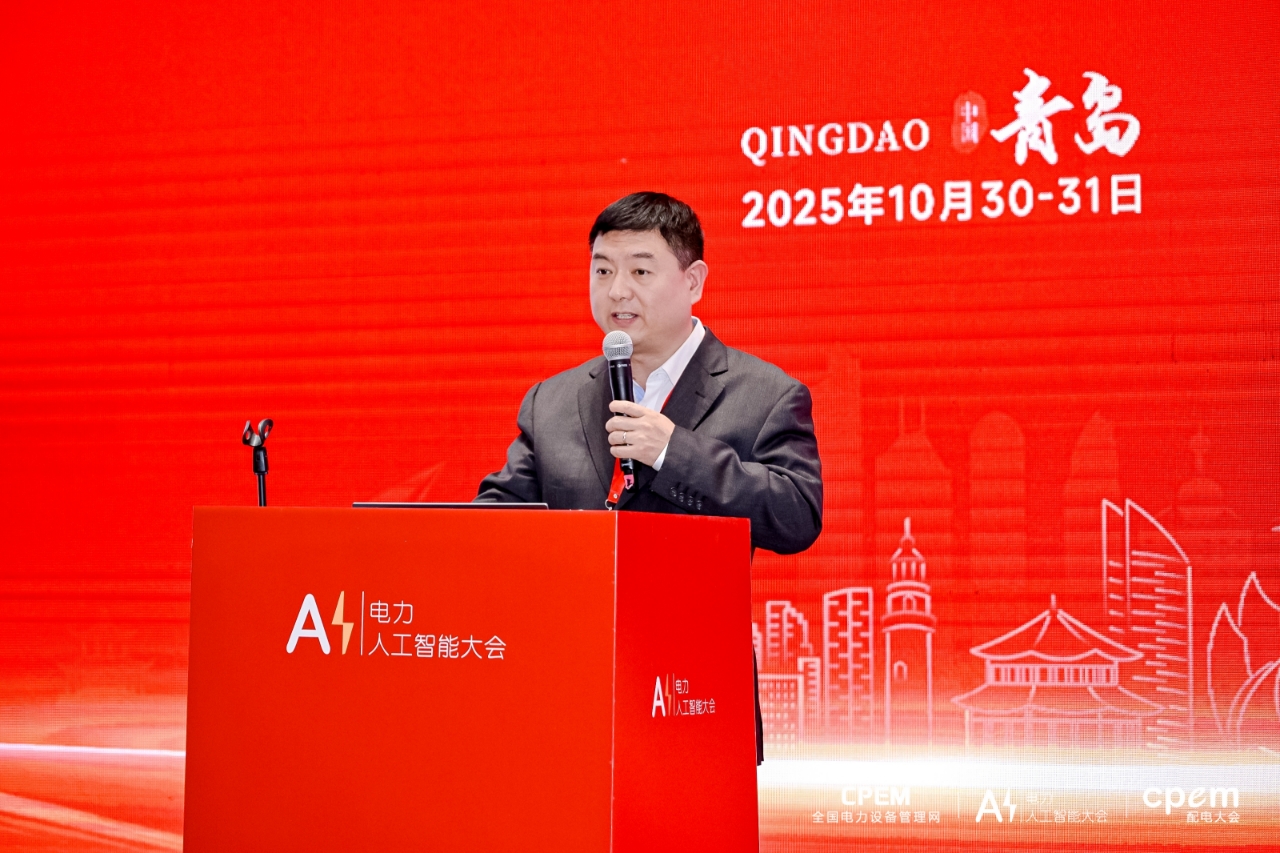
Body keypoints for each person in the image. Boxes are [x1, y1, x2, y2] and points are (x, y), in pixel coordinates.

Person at [477, 191, 823, 761]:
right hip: (563, 697)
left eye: (640, 271)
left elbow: (797, 515)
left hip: (692, 698)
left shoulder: (765, 394)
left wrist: (674, 452)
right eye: (602, 270)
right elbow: (499, 517)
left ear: (694, 281)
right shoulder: (552, 400)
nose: (617, 290)